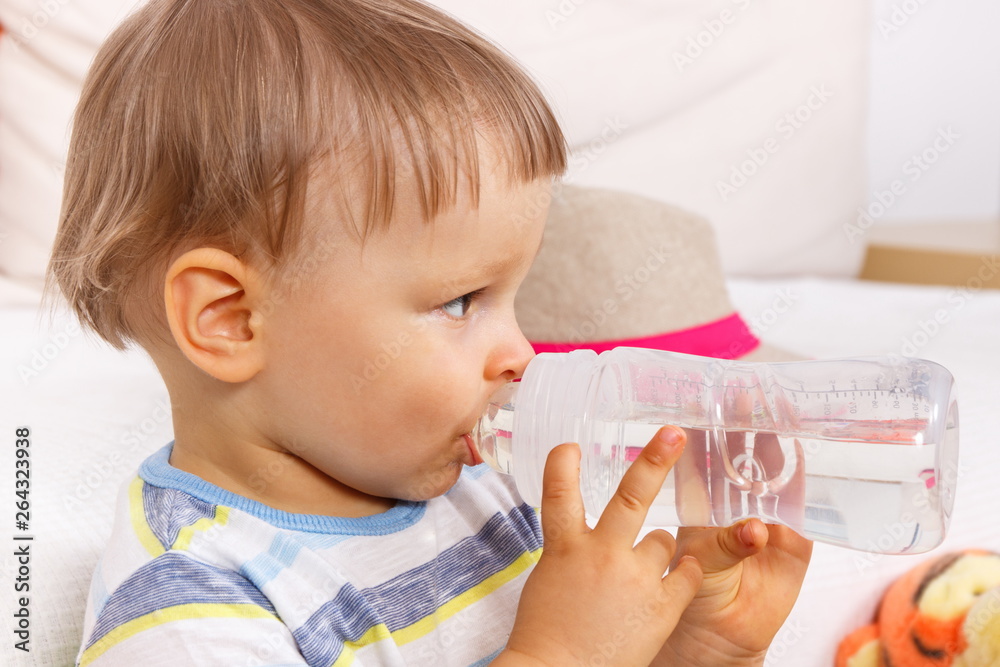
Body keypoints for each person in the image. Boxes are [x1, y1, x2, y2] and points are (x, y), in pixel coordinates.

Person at [47, 0, 812, 664]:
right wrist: (558, 654)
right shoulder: (187, 609)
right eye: (460, 302)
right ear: (231, 320)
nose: (521, 353)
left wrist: (696, 648)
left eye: (516, 295)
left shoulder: (485, 492)